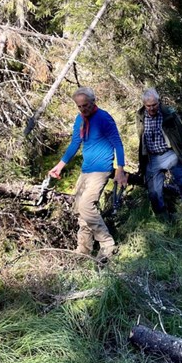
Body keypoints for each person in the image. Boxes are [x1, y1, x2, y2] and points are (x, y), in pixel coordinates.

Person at [49, 87, 127, 261]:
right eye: (79, 106)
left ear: (93, 101)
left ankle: (107, 245)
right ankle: (83, 249)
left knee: (86, 205)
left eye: (85, 105)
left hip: (101, 169)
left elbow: (118, 144)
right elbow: (75, 143)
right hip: (86, 170)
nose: (83, 109)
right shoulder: (80, 120)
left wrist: (120, 170)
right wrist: (60, 165)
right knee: (79, 210)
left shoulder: (104, 118)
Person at [135, 88, 182, 238]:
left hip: (171, 154)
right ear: (144, 105)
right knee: (154, 194)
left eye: (154, 105)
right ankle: (166, 227)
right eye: (148, 106)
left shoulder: (169, 114)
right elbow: (141, 139)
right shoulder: (140, 116)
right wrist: (142, 162)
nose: (151, 108)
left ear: (159, 102)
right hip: (152, 158)